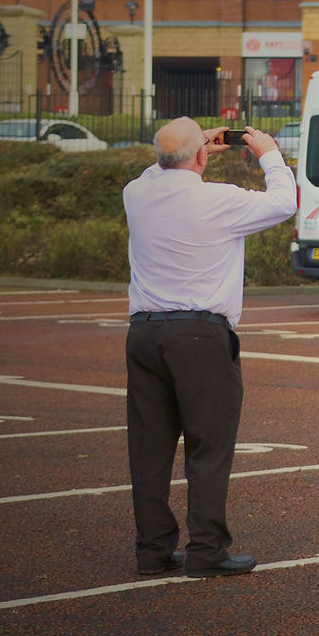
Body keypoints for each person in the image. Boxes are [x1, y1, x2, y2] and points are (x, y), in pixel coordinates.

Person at [123, 118, 296, 578]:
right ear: (200, 156)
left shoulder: (136, 194)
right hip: (200, 335)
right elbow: (284, 202)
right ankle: (207, 549)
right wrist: (268, 154)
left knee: (149, 447)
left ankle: (153, 550)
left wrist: (191, 148)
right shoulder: (219, 200)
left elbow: (155, 170)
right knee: (209, 445)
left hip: (143, 333)